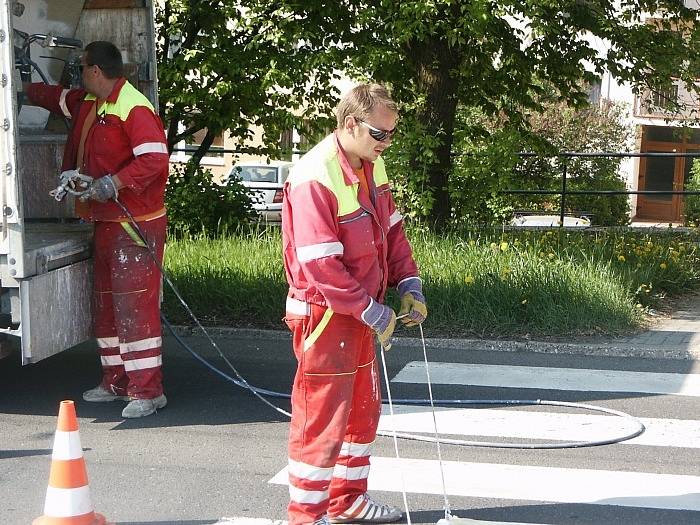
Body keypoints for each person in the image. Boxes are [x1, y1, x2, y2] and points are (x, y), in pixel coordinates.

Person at [281, 83, 428, 525]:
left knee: (362, 413)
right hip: (325, 318)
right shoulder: (314, 175)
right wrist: (373, 310)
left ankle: (346, 501)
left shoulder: (370, 165)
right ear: (350, 124)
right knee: (321, 421)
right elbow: (321, 266)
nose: (386, 143)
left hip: (361, 314)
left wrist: (410, 283)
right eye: (380, 134)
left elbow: (393, 233)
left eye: (391, 135)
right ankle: (307, 515)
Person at [25, 41, 169, 418]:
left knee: (134, 307)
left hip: (135, 225)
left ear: (95, 71)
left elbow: (155, 159)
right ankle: (115, 381)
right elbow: (58, 98)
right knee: (107, 306)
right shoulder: (93, 104)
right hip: (108, 222)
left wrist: (114, 183)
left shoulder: (133, 107)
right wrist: (22, 86)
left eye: (81, 67)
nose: (78, 73)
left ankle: (147, 391)